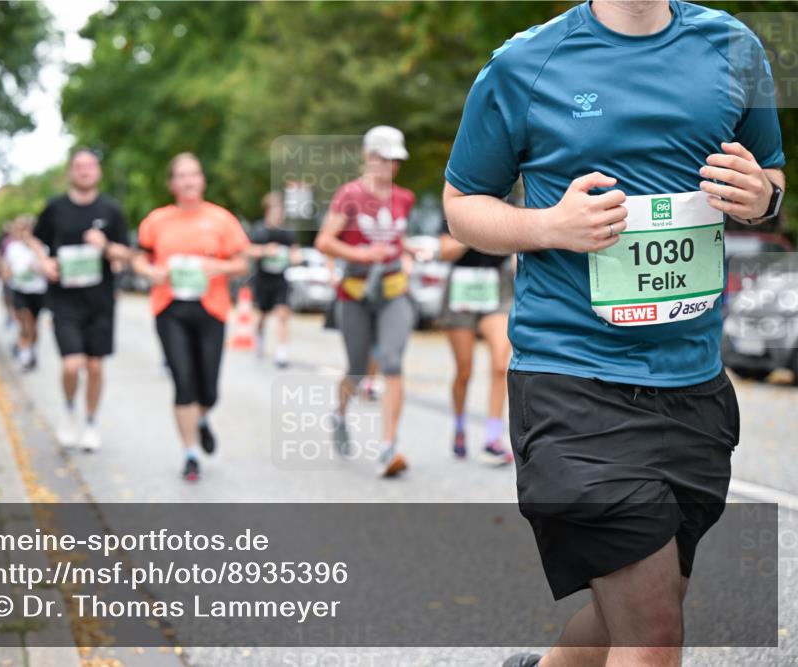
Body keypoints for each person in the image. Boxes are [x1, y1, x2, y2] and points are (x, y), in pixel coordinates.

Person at [442, 2, 785, 666]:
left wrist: (763, 198)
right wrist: (548, 225)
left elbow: (768, 177)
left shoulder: (734, 48)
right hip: (572, 380)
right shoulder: (525, 63)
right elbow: (462, 206)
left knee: (625, 614)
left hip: (692, 384)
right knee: (652, 630)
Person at [132, 153, 250, 482]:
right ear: (171, 183)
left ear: (202, 180)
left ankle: (201, 418)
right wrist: (150, 272)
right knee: (183, 382)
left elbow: (242, 263)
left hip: (211, 308)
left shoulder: (221, 219)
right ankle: (190, 454)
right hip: (170, 309)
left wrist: (220, 267)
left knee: (209, 390)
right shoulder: (157, 220)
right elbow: (139, 258)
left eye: (193, 174)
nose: (188, 181)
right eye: (181, 176)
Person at [315, 125, 416, 478]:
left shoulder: (404, 197)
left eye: (396, 160)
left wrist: (409, 252)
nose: (392, 166)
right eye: (385, 159)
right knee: (357, 369)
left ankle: (388, 448)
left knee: (392, 361)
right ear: (369, 157)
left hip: (393, 291)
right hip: (355, 293)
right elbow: (324, 241)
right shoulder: (349, 195)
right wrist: (361, 254)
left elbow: (396, 239)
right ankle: (339, 414)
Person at [32, 148, 132, 452]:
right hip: (64, 300)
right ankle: (68, 411)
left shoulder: (111, 210)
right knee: (72, 365)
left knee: (95, 367)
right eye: (79, 166)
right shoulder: (55, 208)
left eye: (90, 166)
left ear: (98, 172)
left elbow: (126, 253)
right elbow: (35, 240)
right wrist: (43, 263)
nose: (85, 171)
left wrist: (105, 246)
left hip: (100, 301)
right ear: (70, 172)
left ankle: (90, 422)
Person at [435, 219, 513, 465]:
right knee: (464, 371)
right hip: (461, 288)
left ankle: (493, 439)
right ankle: (460, 425)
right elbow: (444, 252)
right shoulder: (459, 202)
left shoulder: (510, 203)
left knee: (500, 365)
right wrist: (475, 230)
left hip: (497, 288)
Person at [247, 191, 299, 367]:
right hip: (263, 279)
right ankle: (260, 338)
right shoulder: (259, 230)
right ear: (267, 210)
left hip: (280, 279)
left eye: (280, 210)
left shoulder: (287, 233)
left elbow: (295, 252)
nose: (278, 213)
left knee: (283, 313)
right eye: (275, 210)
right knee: (262, 314)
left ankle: (282, 351)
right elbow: (248, 250)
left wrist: (295, 257)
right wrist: (265, 251)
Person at [2, 216, 48, 372]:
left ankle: (30, 350)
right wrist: (8, 275)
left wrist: (35, 248)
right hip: (19, 290)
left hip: (38, 291)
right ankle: (24, 353)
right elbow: (6, 268)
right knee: (25, 320)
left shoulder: (42, 246)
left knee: (34, 325)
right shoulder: (13, 248)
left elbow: (46, 265)